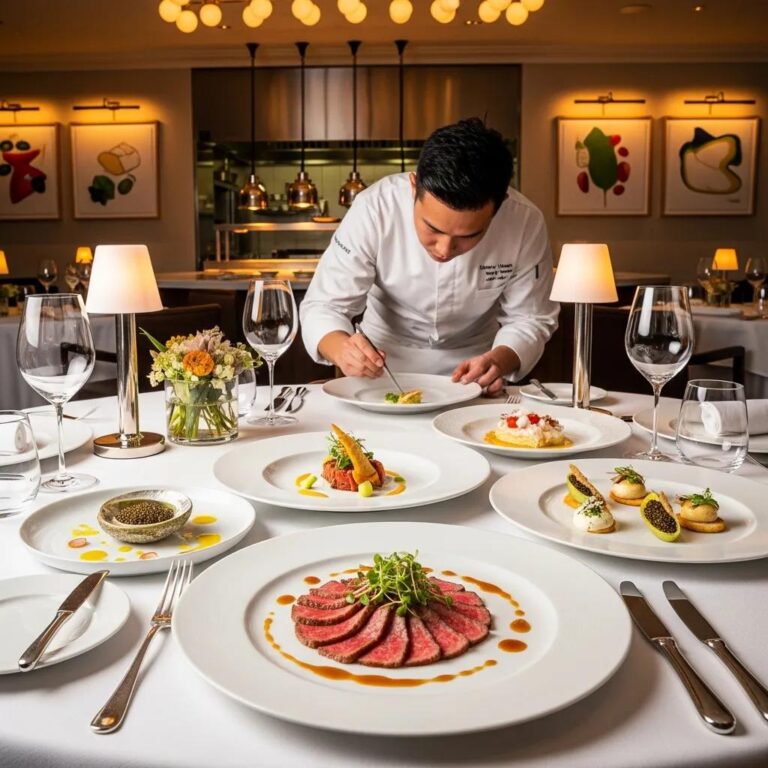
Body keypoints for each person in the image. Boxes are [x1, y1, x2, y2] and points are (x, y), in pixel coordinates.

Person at [300, 117, 559, 394]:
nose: (444, 250)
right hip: (380, 372)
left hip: (473, 377)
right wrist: (343, 350)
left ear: (500, 206)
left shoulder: (524, 221)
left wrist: (498, 361)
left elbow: (530, 318)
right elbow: (325, 306)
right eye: (432, 228)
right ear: (414, 188)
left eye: (469, 235)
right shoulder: (374, 208)